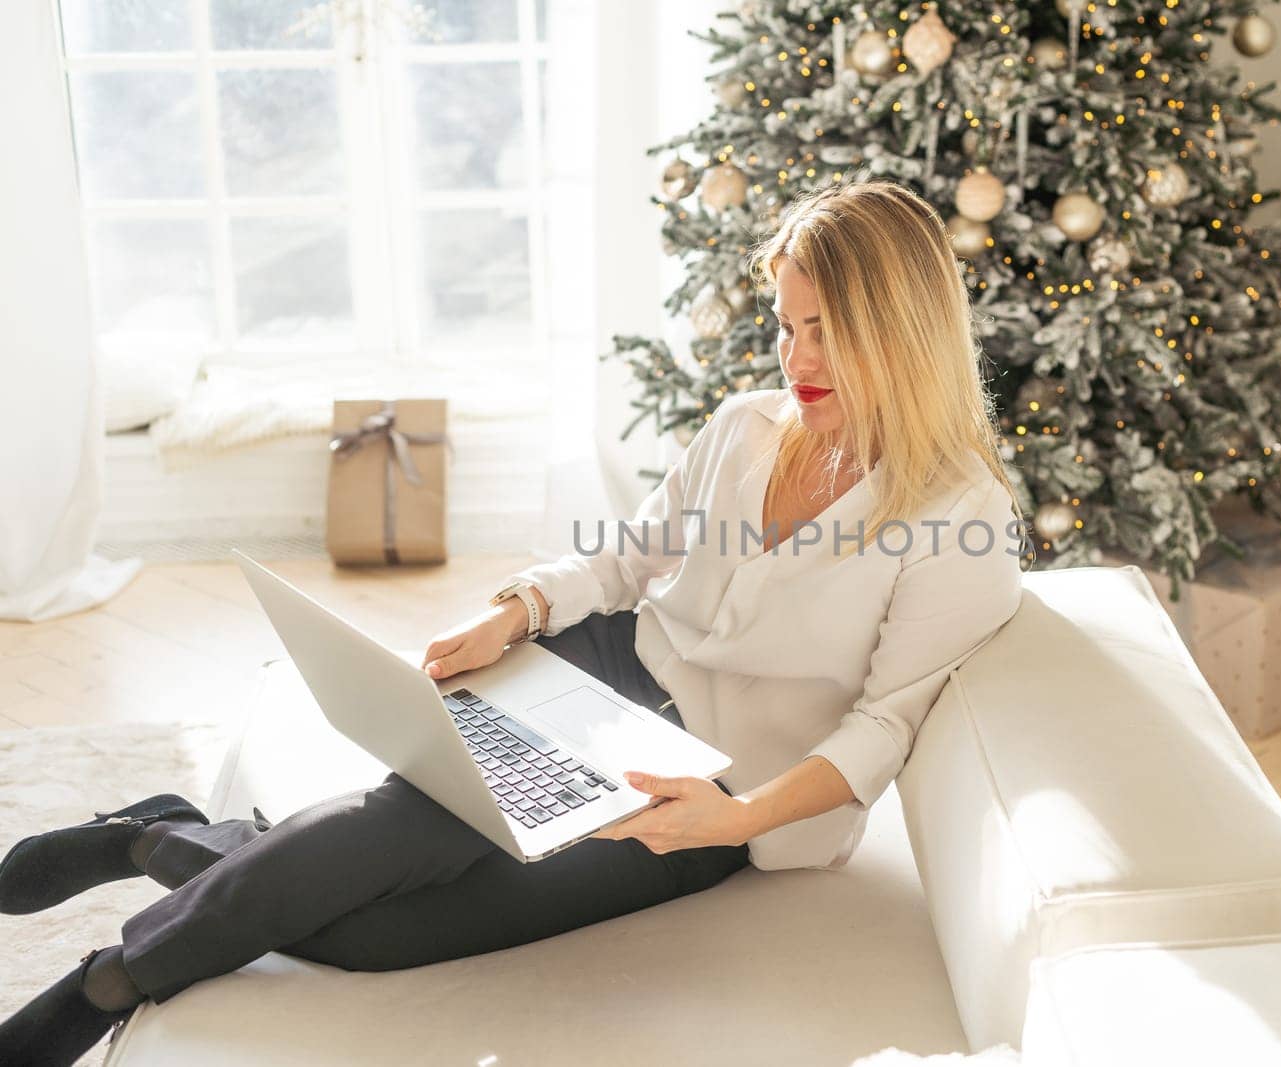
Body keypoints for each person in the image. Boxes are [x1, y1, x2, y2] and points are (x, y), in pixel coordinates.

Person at [0, 179, 1027, 1064]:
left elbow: (884, 726)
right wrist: (519, 610)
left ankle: (158, 833)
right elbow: (629, 555)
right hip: (601, 674)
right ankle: (101, 987)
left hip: (710, 790)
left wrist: (735, 818)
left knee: (371, 932)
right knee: (387, 831)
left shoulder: (958, 513)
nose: (794, 356)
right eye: (785, 323)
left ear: (900, 330)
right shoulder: (746, 426)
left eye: (824, 332)